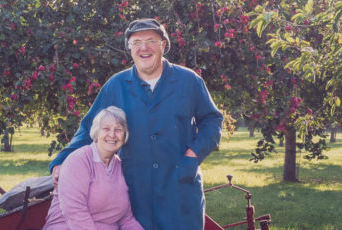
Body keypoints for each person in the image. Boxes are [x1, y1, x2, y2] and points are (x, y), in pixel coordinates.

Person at [50, 18, 223, 230]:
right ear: (129, 48)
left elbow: (212, 121)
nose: (144, 48)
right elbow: (89, 127)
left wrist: (192, 156)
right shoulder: (116, 85)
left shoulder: (189, 81)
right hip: (136, 192)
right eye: (136, 42)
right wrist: (62, 159)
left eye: (151, 40)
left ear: (163, 45)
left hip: (179, 190)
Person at [43, 106, 144, 230]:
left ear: (125, 135)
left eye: (118, 129)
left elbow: (126, 219)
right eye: (106, 129)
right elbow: (75, 213)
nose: (112, 134)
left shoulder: (119, 165)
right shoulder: (79, 160)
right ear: (96, 132)